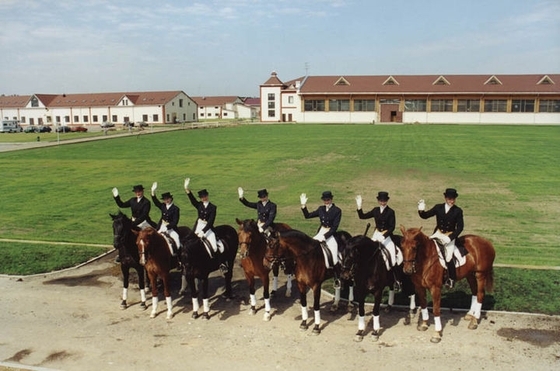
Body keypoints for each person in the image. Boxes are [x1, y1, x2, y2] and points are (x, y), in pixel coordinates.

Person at [355, 191, 402, 291]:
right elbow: (362, 216)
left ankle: (395, 280)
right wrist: (359, 207)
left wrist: (384, 236)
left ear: (387, 201)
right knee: (368, 254)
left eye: (384, 201)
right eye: (380, 201)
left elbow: (392, 227)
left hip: (386, 236)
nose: (382, 202)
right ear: (378, 201)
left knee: (392, 257)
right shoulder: (375, 210)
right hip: (376, 234)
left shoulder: (390, 212)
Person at [418, 188, 464, 288]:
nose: (451, 201)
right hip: (438, 234)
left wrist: (451, 237)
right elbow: (425, 216)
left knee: (448, 256)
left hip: (449, 236)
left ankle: (451, 279)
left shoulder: (458, 211)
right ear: (445, 198)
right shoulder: (438, 207)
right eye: (449, 199)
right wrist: (421, 210)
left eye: (453, 199)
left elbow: (460, 227)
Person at [183, 178, 228, 273]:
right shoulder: (199, 205)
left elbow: (211, 221)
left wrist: (203, 231)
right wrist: (187, 189)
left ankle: (221, 263)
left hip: (208, 228)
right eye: (202, 197)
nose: (204, 198)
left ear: (207, 196)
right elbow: (192, 200)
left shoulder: (213, 207)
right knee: (188, 241)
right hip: (198, 225)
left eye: (205, 196)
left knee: (215, 246)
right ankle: (184, 262)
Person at [300, 191, 342, 288]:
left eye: (328, 200)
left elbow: (335, 227)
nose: (326, 202)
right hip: (321, 232)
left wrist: (326, 236)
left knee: (334, 256)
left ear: (331, 199)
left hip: (330, 234)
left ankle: (337, 278)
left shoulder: (337, 211)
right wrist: (303, 206)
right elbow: (308, 216)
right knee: (308, 247)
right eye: (325, 200)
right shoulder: (321, 209)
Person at [150, 182, 181, 253]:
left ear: (171, 199)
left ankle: (178, 258)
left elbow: (175, 221)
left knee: (177, 242)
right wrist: (153, 192)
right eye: (165, 199)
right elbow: (156, 202)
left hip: (171, 228)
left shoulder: (175, 209)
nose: (166, 200)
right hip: (161, 226)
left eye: (168, 199)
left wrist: (167, 227)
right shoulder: (163, 206)